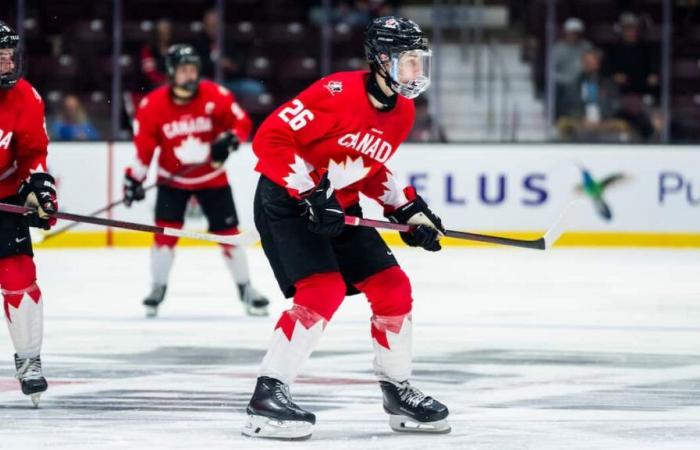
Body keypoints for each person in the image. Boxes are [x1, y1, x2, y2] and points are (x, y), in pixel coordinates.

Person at [242, 16, 450, 440]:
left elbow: (368, 166)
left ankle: (397, 390)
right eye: (408, 62)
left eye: (419, 62)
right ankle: (267, 395)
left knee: (394, 287)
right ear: (380, 60)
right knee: (323, 290)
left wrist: (407, 209)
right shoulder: (334, 92)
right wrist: (312, 192)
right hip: (287, 201)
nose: (416, 71)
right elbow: (270, 139)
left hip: (339, 205)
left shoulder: (403, 112)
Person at [123, 44, 269, 318]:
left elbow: (242, 123)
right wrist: (134, 179)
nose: (190, 76)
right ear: (170, 72)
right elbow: (144, 150)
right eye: (183, 70)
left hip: (212, 179)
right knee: (164, 236)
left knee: (228, 236)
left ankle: (246, 288)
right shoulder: (152, 106)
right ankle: (158, 287)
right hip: (171, 182)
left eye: (193, 70)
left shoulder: (216, 95)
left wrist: (230, 139)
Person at [0, 20, 57, 406]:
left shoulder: (26, 97)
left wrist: (38, 188)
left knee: (19, 273)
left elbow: (33, 153)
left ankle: (29, 360)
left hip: (3, 197)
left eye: (9, 57)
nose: (7, 65)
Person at [557, 49, 630, 142]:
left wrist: (603, 119)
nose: (589, 64)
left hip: (604, 121)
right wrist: (581, 117)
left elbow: (616, 105)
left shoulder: (608, 84)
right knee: (562, 123)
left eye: (592, 61)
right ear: (582, 63)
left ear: (597, 63)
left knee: (622, 126)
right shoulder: (574, 84)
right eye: (586, 61)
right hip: (580, 121)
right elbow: (567, 105)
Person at [604, 12, 659, 95]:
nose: (632, 32)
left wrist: (653, 75)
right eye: (628, 29)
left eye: (634, 28)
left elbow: (653, 69)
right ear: (621, 30)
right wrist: (614, 76)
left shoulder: (646, 49)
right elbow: (607, 70)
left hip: (642, 88)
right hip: (620, 90)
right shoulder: (613, 49)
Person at [553, 18, 593, 118]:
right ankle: (562, 118)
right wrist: (567, 80)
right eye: (571, 33)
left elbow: (592, 64)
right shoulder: (558, 49)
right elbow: (551, 73)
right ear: (566, 33)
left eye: (576, 33)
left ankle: (590, 115)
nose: (573, 35)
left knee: (592, 83)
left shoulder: (586, 46)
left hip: (582, 80)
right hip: (563, 83)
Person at [139, 19, 173, 89]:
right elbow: (149, 73)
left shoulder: (174, 48)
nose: (165, 34)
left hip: (173, 85)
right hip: (153, 87)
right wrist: (164, 82)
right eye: (162, 32)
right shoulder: (148, 50)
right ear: (157, 33)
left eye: (167, 31)